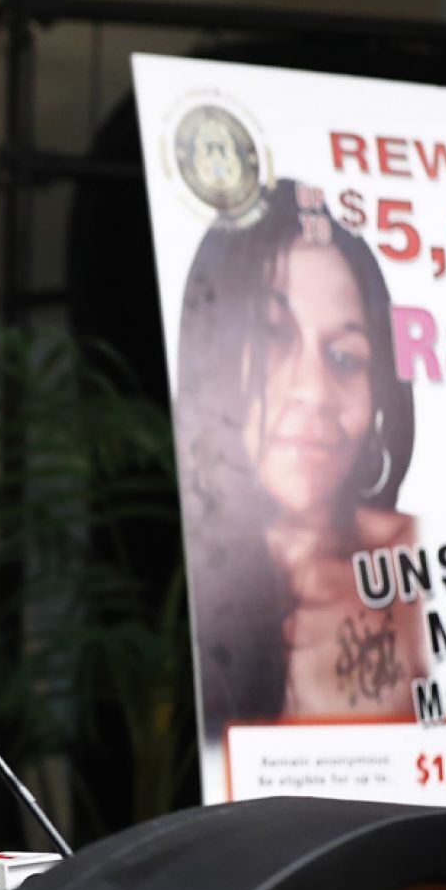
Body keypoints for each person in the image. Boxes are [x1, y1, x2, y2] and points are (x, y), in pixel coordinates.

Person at [174, 178, 422, 739]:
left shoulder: (425, 572)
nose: (312, 389)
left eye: (345, 356)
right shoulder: (166, 591)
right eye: (270, 336)